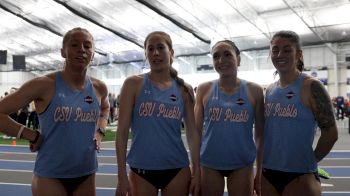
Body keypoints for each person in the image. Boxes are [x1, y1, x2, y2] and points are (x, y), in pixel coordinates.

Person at [0, 27, 109, 196]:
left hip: (86, 172)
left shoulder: (99, 87)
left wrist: (100, 130)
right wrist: (30, 134)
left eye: (87, 46)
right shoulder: (43, 84)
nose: (81, 49)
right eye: (74, 45)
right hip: (51, 175)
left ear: (93, 54)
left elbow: (105, 107)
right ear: (63, 52)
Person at [116, 31, 200, 196]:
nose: (155, 53)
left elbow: (192, 134)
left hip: (177, 168)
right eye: (150, 49)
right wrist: (121, 176)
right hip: (141, 170)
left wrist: (197, 172)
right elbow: (122, 131)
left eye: (160, 48)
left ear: (171, 52)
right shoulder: (133, 84)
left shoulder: (185, 89)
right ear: (146, 54)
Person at [262, 30, 338, 196]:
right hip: (268, 173)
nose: (280, 54)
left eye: (287, 50)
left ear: (299, 54)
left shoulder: (311, 86)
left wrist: (312, 160)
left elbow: (331, 134)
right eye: (275, 50)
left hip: (299, 175)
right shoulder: (269, 90)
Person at [194, 40, 264, 196]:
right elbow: (195, 133)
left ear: (238, 59)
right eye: (216, 56)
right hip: (209, 162)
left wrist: (260, 170)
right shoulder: (203, 89)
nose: (221, 60)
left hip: (242, 163)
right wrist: (195, 169)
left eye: (227, 54)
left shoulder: (255, 91)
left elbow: (260, 135)